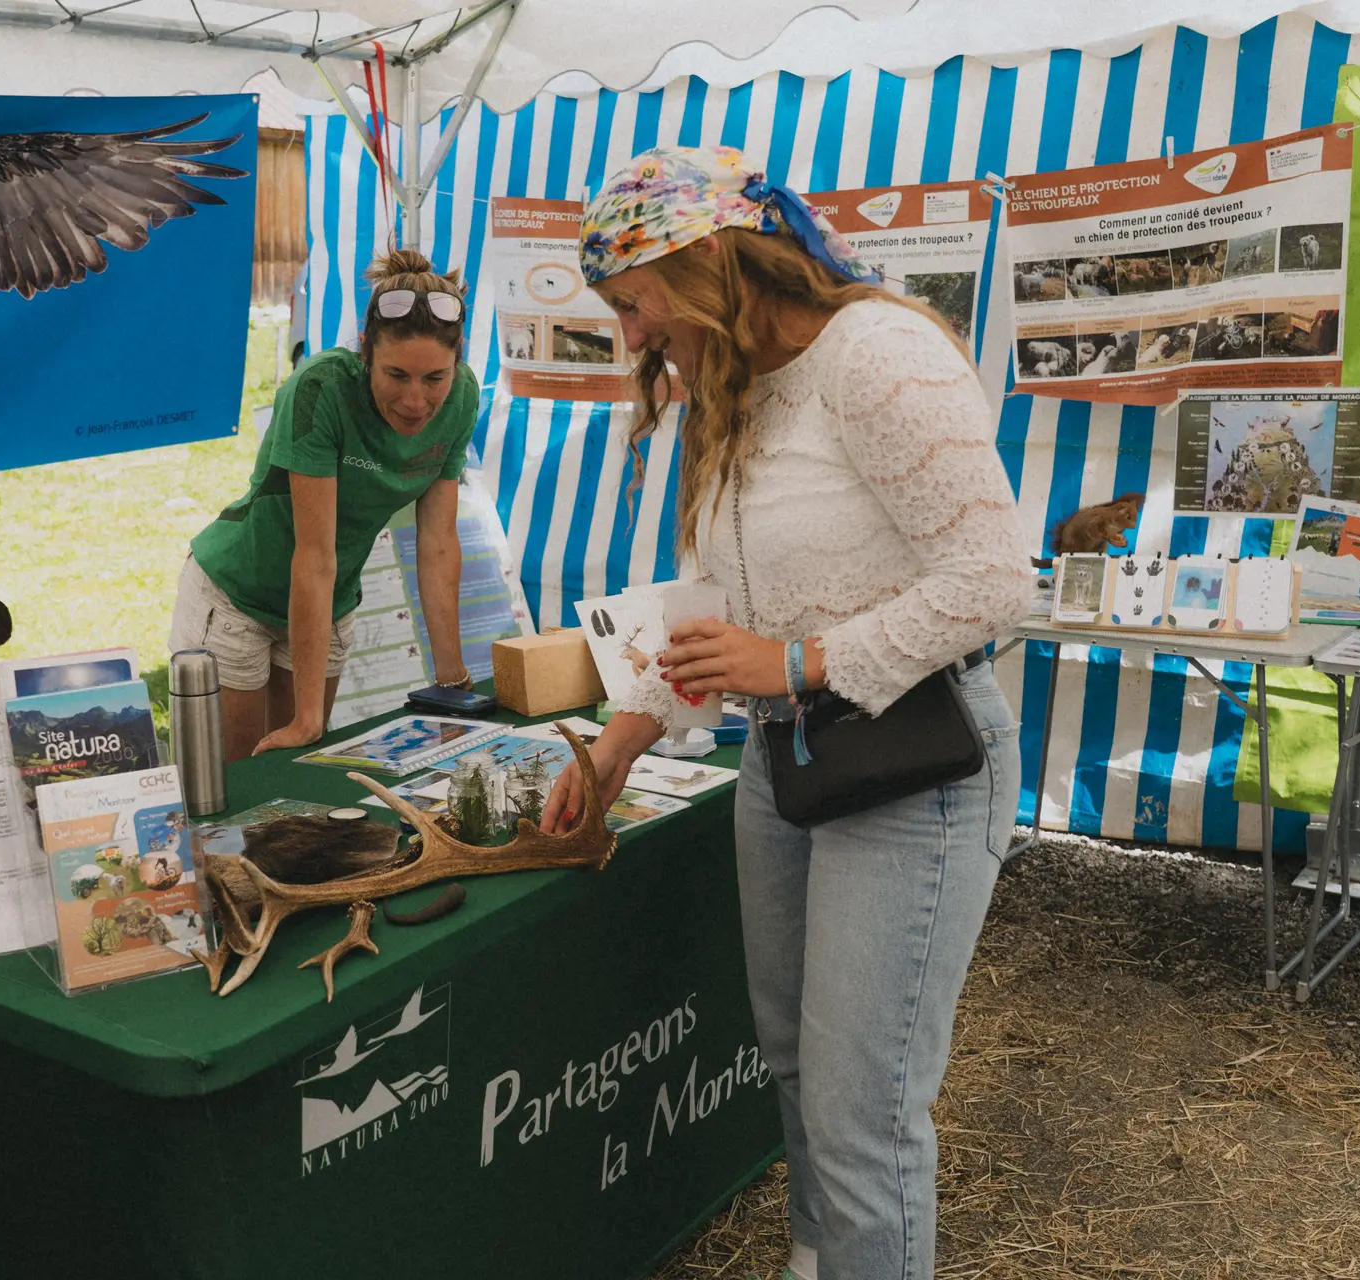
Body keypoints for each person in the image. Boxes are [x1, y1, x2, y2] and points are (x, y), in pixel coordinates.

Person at [541, 147, 1033, 1280]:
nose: (628, 337)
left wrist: (803, 659)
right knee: (797, 1067)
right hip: (789, 762)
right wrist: (627, 730)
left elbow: (994, 577)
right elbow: (722, 612)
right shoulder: (737, 390)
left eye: (631, 303)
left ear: (704, 258)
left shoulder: (879, 352)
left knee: (864, 1114)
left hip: (915, 764)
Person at [172, 249, 479, 762]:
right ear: (365, 351)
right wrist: (308, 716)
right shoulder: (320, 386)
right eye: (396, 375)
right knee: (236, 785)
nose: (415, 400)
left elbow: (439, 545)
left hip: (328, 605)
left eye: (434, 379)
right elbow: (314, 557)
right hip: (236, 596)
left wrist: (453, 683)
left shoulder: (463, 398)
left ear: (456, 362)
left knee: (293, 781)